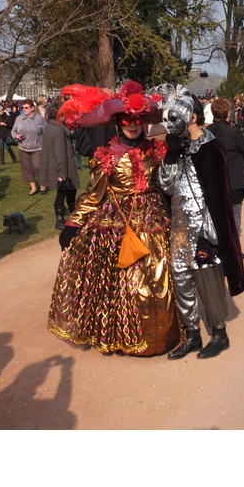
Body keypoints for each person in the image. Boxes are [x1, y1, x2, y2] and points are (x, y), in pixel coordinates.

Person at [47, 81, 180, 356]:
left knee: (157, 280)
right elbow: (93, 195)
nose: (132, 125)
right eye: (126, 120)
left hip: (153, 221)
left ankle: (159, 337)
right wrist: (73, 224)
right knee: (120, 284)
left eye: (137, 120)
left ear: (143, 121)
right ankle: (121, 336)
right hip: (115, 222)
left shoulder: (157, 150)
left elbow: (170, 186)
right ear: (118, 122)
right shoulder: (107, 154)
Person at [155, 84, 244, 359]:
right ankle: (192, 334)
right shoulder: (175, 147)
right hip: (180, 228)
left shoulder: (210, 147)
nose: (171, 125)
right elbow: (165, 186)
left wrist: (217, 232)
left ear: (192, 117)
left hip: (204, 229)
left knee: (209, 281)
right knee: (182, 280)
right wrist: (171, 156)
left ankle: (219, 334)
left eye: (176, 118)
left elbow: (221, 196)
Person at [207, 97, 244, 258]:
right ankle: (233, 250)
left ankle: (219, 248)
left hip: (214, 180)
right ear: (228, 114)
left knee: (217, 215)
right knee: (234, 215)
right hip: (233, 179)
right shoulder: (232, 132)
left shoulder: (207, 132)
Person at [39, 103, 80, 229]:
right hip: (63, 166)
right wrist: (62, 174)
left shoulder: (50, 127)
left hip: (57, 165)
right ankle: (61, 220)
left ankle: (70, 217)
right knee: (65, 192)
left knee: (68, 192)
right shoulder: (57, 130)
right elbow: (60, 153)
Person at [12, 99, 47, 195]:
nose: (24, 109)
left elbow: (46, 131)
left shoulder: (39, 119)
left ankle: (42, 184)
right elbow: (13, 131)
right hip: (23, 147)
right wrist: (15, 136)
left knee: (37, 166)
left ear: (32, 108)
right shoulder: (19, 118)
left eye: (26, 107)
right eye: (22, 108)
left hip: (37, 147)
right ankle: (33, 187)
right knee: (26, 168)